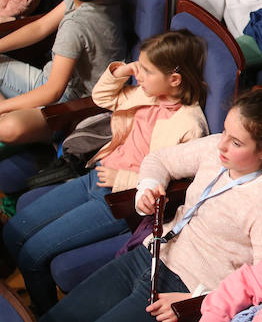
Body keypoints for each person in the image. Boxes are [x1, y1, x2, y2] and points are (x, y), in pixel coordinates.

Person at [40, 87, 262, 322]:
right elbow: (160, 160)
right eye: (224, 131)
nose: (222, 145)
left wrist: (196, 300)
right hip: (153, 254)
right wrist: (147, 187)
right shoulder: (216, 149)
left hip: (186, 287)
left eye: (236, 142)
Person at [3, 29, 209, 314]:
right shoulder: (147, 92)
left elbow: (177, 186)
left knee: (33, 254)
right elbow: (102, 98)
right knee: (14, 231)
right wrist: (123, 70)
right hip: (97, 176)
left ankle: (41, 309)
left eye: (147, 71)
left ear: (174, 80)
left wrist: (121, 179)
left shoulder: (191, 125)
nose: (140, 75)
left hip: (120, 200)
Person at [0, 0, 125, 146]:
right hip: (52, 84)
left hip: (71, 106)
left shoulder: (76, 26)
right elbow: (39, 27)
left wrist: (4, 108)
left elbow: (53, 91)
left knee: (9, 128)